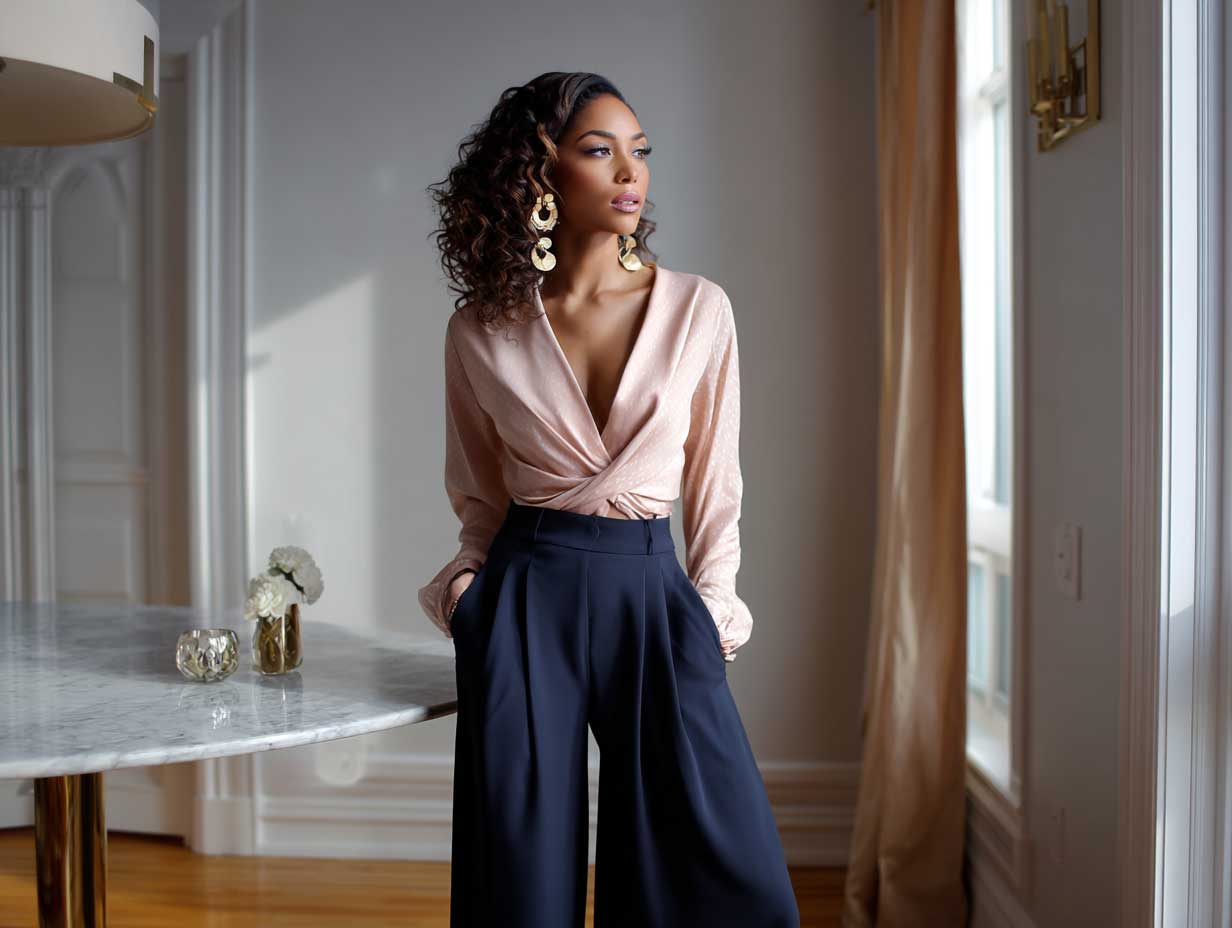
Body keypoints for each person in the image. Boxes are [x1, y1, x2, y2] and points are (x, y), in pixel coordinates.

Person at [419, 71, 799, 928]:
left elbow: (715, 480)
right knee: (517, 883)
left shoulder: (699, 309)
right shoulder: (481, 326)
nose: (631, 171)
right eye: (600, 150)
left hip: (654, 595)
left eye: (641, 150)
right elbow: (477, 487)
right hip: (524, 598)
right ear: (540, 172)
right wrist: (469, 591)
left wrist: (713, 605)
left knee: (710, 873)